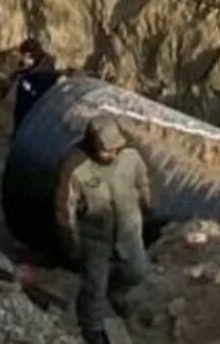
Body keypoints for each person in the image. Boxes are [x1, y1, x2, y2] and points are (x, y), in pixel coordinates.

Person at [59, 116, 152, 344]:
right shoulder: (76, 166)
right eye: (106, 151)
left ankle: (116, 293)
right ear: (92, 146)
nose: (113, 154)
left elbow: (144, 181)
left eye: (116, 149)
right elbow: (65, 207)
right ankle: (91, 328)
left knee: (137, 271)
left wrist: (148, 203)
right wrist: (72, 240)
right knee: (95, 286)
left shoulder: (131, 156)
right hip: (95, 237)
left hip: (129, 229)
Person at [11, 37, 59, 131]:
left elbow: (40, 73)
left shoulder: (46, 62)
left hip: (40, 93)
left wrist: (24, 75)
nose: (28, 58)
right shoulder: (40, 61)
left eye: (28, 55)